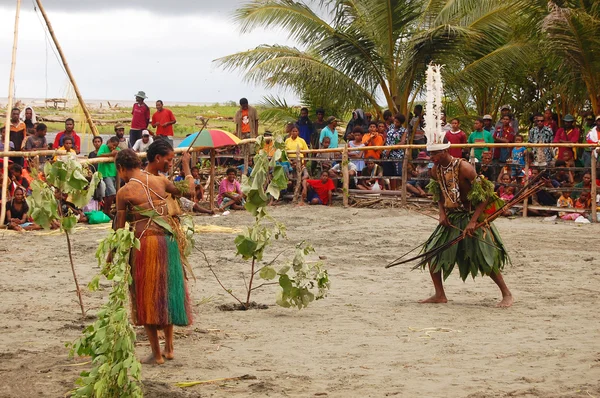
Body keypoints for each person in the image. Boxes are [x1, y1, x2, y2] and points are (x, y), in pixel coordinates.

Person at [113, 149, 193, 365]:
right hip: (168, 241)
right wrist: (186, 167)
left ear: (121, 168)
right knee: (167, 292)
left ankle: (156, 355)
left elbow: (119, 229)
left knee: (147, 296)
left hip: (145, 244)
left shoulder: (125, 192)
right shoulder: (161, 181)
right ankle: (169, 348)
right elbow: (189, 192)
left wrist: (112, 256)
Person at [420, 142, 512, 307]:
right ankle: (440, 294)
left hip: (471, 215)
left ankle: (506, 294)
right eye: (430, 154)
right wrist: (441, 212)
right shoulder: (435, 171)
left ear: (445, 151)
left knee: (484, 255)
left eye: (434, 154)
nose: (431, 158)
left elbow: (485, 195)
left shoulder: (465, 168)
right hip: (452, 217)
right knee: (432, 252)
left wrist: (473, 221)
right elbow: (438, 192)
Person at [97, 136, 121, 216]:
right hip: (105, 174)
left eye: (115, 146)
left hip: (114, 174)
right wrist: (111, 154)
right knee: (112, 193)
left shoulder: (117, 150)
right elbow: (99, 155)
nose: (113, 147)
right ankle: (106, 210)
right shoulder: (103, 147)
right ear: (109, 142)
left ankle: (107, 210)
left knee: (109, 195)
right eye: (113, 145)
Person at [383, 114, 407, 190]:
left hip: (397, 153)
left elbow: (402, 142)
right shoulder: (391, 127)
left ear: (401, 123)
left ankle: (400, 189)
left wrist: (391, 148)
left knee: (398, 172)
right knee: (389, 171)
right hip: (387, 152)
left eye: (398, 122)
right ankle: (392, 189)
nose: (396, 123)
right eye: (395, 121)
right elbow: (387, 138)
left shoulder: (403, 130)